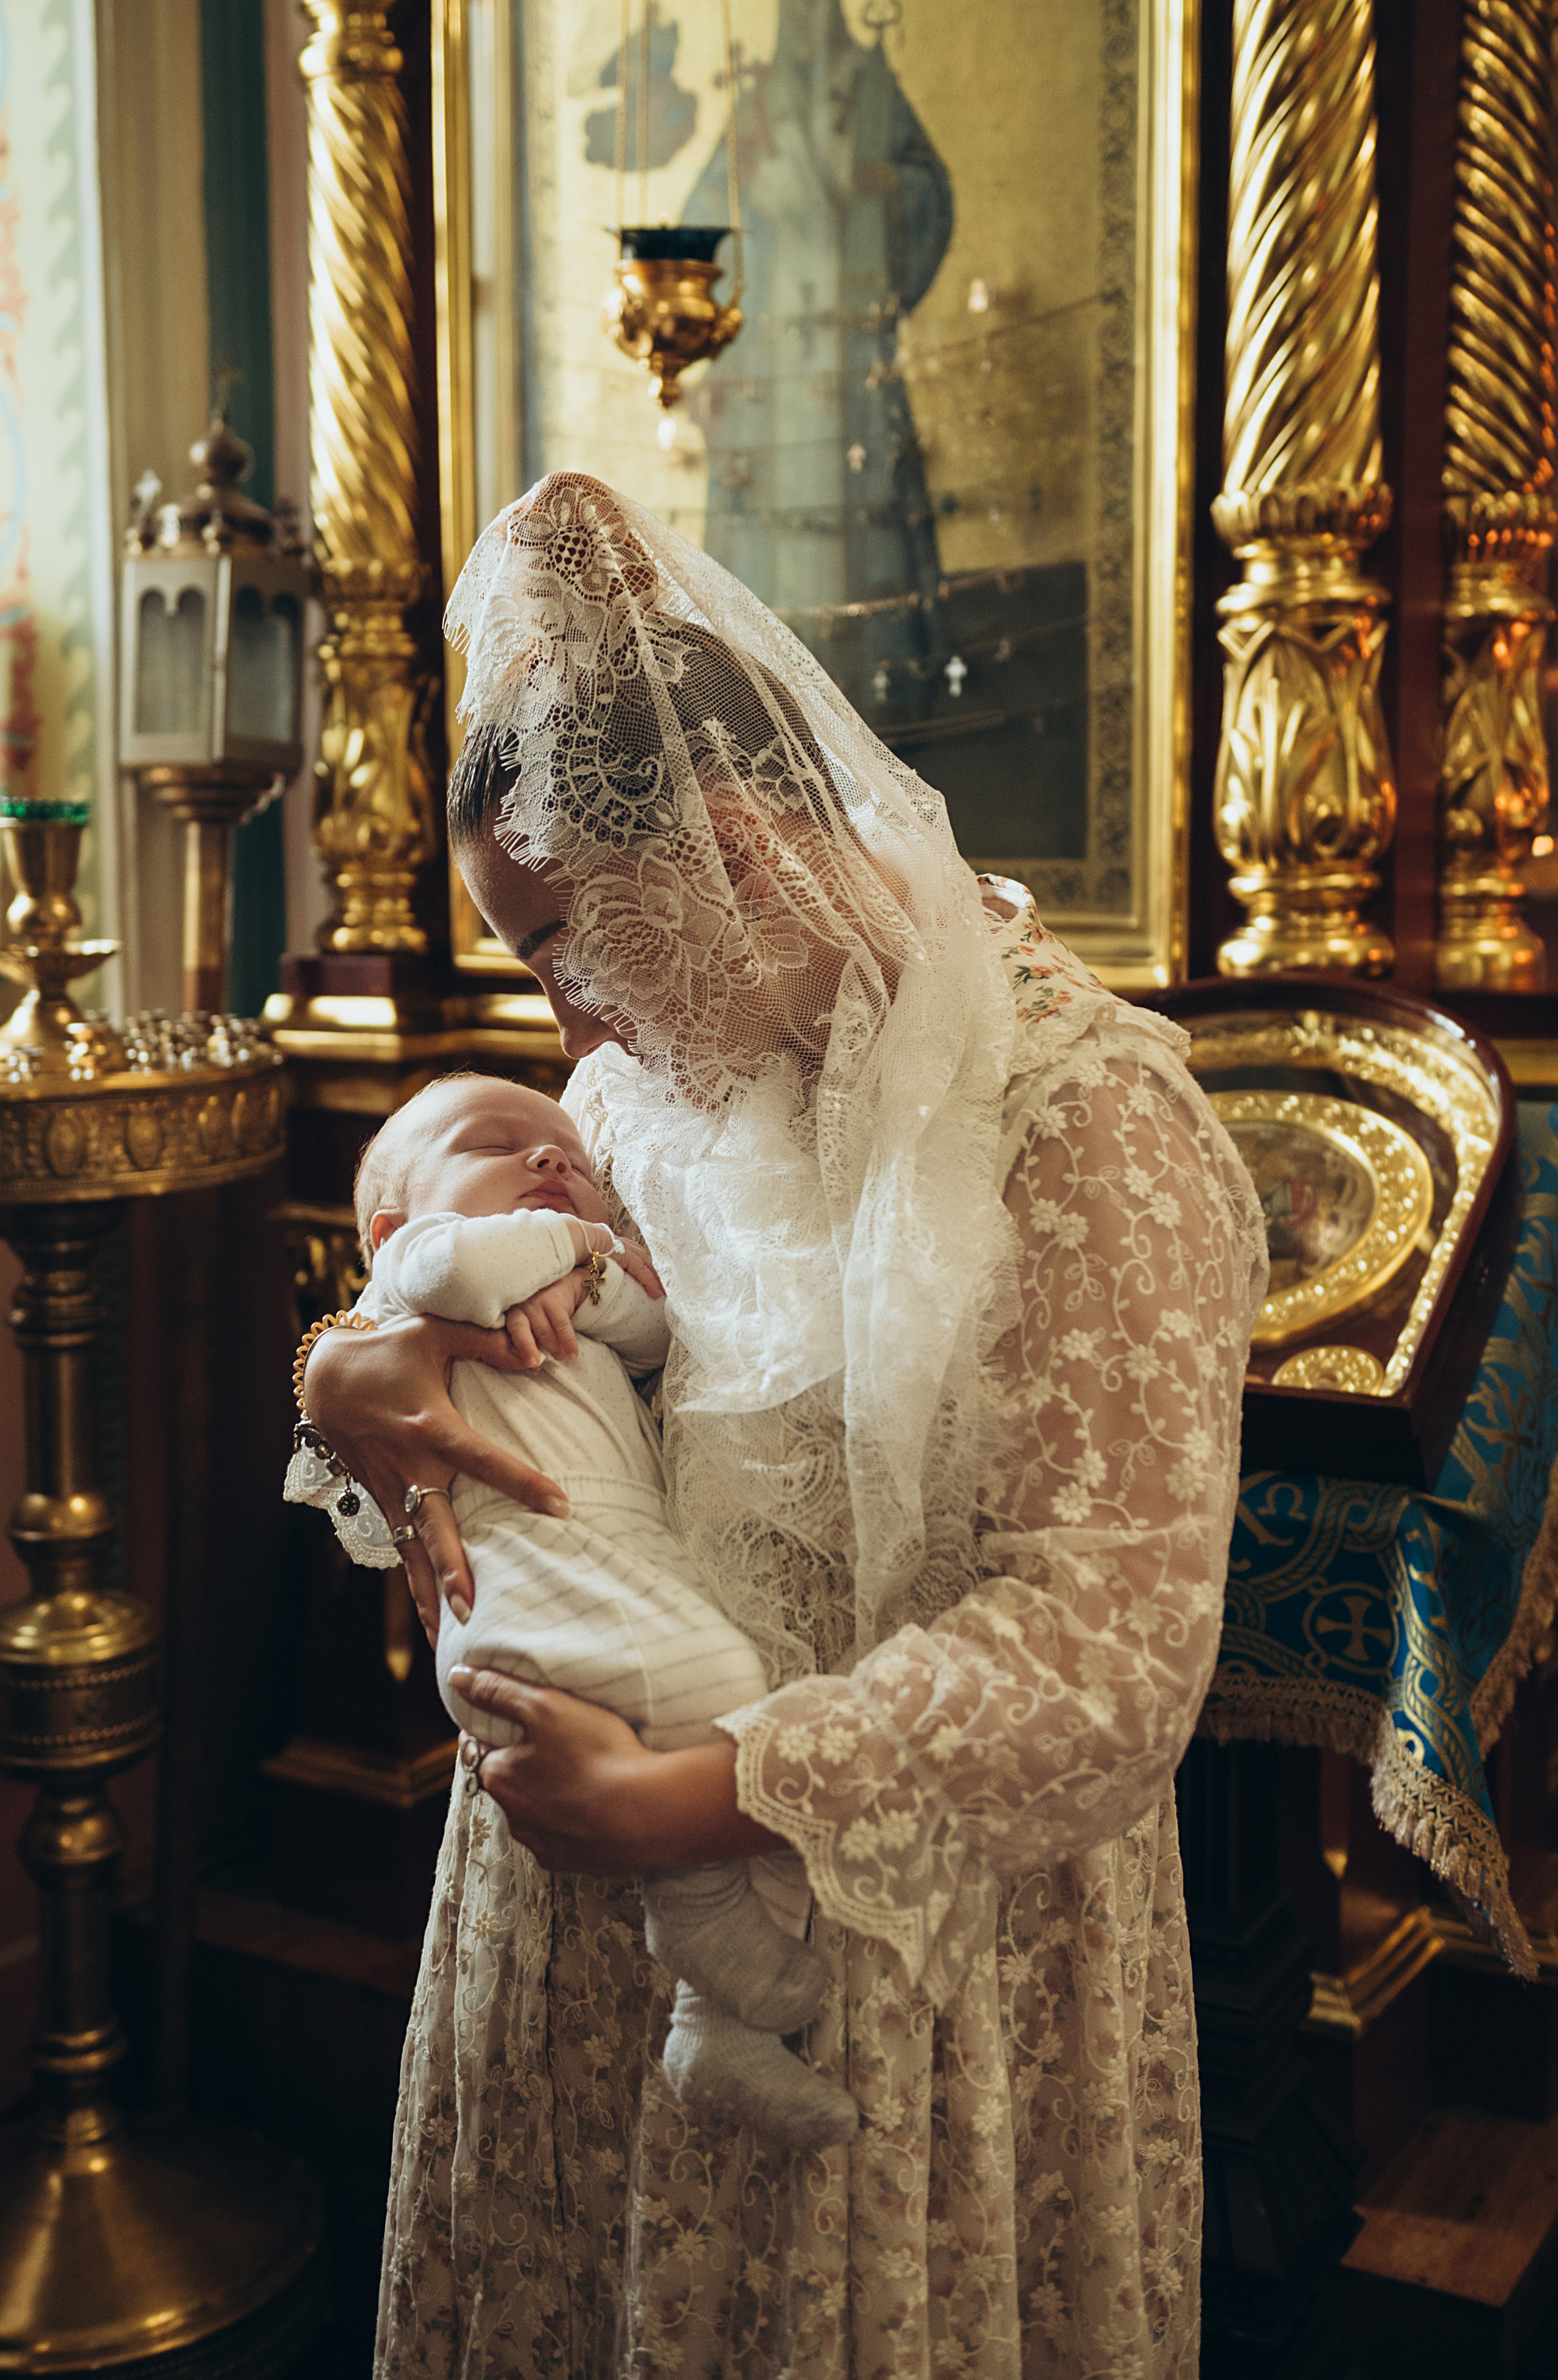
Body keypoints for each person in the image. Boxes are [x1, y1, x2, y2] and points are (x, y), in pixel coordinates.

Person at [301, 471, 1268, 2379]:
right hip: (578, 1929)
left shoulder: (1088, 1129)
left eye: (569, 945)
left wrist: (685, 1794)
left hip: (907, 1962)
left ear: (735, 852)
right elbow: (512, 1313)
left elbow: (1112, 1641)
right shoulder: (658, 1101)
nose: (565, 1015)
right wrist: (349, 1368)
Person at [287, 1071, 857, 2150]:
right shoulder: (425, 1260)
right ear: (389, 1225)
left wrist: (593, 1259)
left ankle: (714, 2019)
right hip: (531, 1566)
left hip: (621, 1553)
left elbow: (653, 1335)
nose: (553, 1158)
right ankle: (714, 1958)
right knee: (731, 1708)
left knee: (757, 1716)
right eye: (500, 1144)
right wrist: (575, 1244)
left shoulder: (562, 1260)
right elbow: (461, 1265)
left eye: (574, 1162)